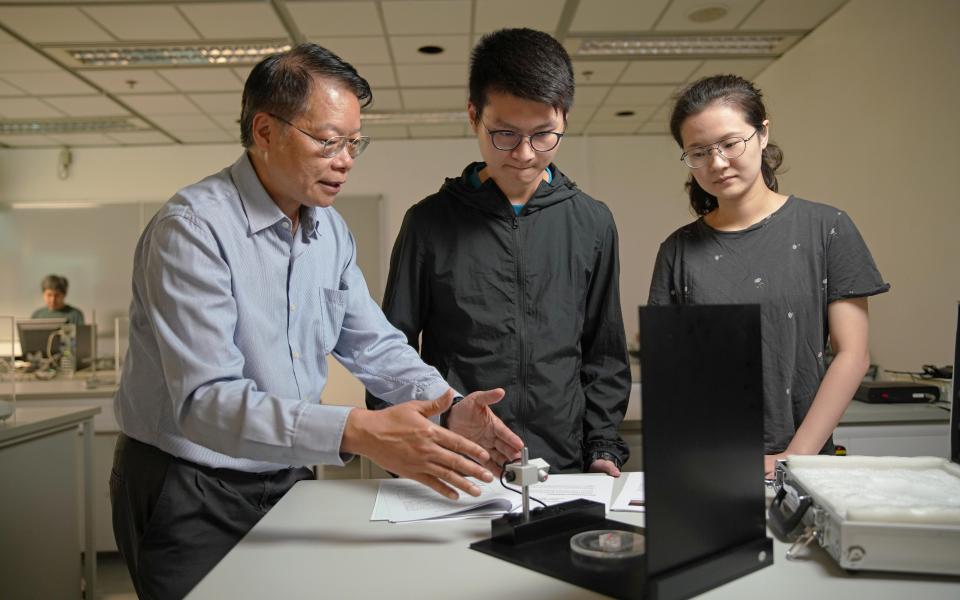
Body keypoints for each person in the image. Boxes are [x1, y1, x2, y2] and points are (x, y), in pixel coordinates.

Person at [110, 43, 523, 600]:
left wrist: (448, 404)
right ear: (264, 131)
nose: (346, 159)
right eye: (328, 140)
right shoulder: (192, 231)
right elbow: (205, 402)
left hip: (285, 474)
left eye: (354, 142)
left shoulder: (329, 232)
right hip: (189, 488)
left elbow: (373, 344)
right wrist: (357, 430)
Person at [366, 28, 631, 476]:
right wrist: (419, 436)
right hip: (455, 457)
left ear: (564, 117)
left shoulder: (592, 222)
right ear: (474, 116)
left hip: (559, 464)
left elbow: (603, 351)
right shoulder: (428, 223)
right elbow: (394, 350)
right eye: (504, 134)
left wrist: (601, 445)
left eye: (545, 135)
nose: (525, 155)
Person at [648, 74, 889, 478]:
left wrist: (791, 459)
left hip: (806, 462)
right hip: (710, 463)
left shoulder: (826, 228)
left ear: (762, 133)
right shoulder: (678, 250)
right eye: (699, 152)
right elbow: (674, 373)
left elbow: (853, 354)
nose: (717, 163)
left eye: (729, 144)